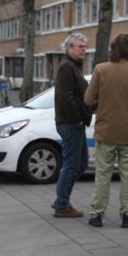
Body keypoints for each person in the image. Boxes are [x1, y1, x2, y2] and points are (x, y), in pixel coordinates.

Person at [84, 33, 128, 228]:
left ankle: (97, 215)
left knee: (102, 175)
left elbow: (88, 100)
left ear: (112, 49)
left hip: (106, 131)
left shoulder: (101, 70)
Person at [51, 33, 91, 218]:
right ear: (69, 48)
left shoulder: (74, 66)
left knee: (81, 163)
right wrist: (76, 118)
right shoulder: (67, 67)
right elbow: (64, 97)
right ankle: (62, 204)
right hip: (70, 124)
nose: (83, 49)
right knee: (72, 164)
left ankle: (61, 197)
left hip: (75, 123)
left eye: (85, 46)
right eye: (79, 46)